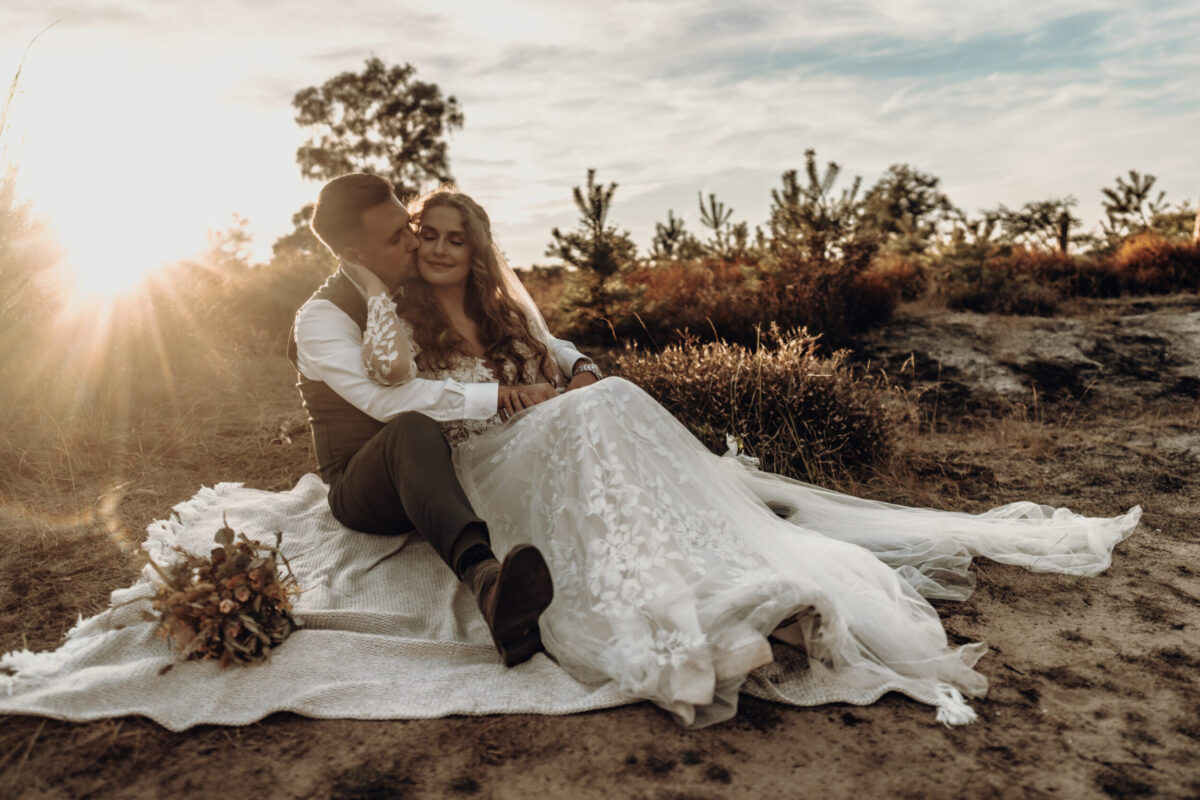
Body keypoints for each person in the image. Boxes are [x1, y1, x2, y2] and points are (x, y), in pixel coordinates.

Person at [359, 184, 1141, 729]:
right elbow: (403, 400)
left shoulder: (506, 313)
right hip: (490, 462)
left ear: (478, 249)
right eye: (428, 233)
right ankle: (664, 615)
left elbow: (563, 354)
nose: (438, 248)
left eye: (457, 238)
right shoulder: (398, 318)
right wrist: (525, 401)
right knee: (600, 414)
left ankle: (722, 591)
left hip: (564, 436)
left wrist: (583, 373)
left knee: (609, 396)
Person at [287, 173, 598, 666]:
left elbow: (522, 329)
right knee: (410, 426)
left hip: (445, 465)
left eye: (407, 226)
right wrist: (501, 396)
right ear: (353, 253)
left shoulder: (416, 282)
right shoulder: (322, 319)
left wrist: (580, 365)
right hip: (367, 487)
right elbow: (389, 401)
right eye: (397, 237)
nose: (415, 242)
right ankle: (489, 585)